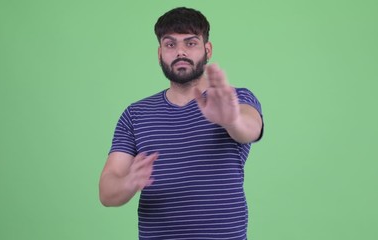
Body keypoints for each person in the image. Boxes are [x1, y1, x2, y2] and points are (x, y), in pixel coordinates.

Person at [99, 6, 264, 240]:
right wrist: (129, 182)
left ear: (207, 49)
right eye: (170, 44)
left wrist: (231, 119)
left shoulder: (234, 99)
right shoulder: (135, 114)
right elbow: (107, 192)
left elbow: (250, 128)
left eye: (190, 43)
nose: (180, 52)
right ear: (159, 53)